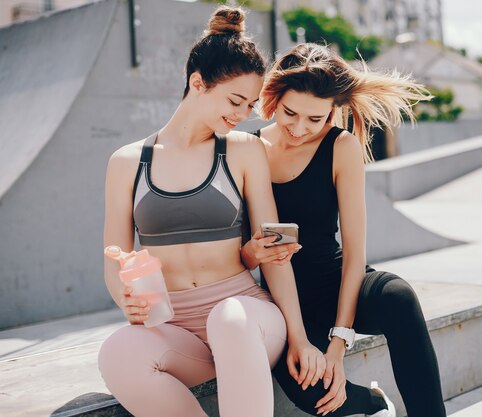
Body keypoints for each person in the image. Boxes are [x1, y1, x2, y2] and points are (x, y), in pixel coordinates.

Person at [98, 8, 325, 417]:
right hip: (173, 328)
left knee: (229, 319)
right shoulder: (127, 162)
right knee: (117, 353)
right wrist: (125, 298)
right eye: (236, 101)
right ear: (197, 83)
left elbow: (274, 257)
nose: (244, 114)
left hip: (247, 319)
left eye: (251, 104)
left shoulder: (242, 150)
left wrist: (299, 337)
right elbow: (114, 256)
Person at [241, 43, 447, 417]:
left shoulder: (342, 146)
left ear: (332, 113)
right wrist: (252, 254)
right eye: (290, 113)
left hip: (339, 284)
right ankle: (373, 402)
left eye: (315, 119)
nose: (299, 128)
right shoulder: (247, 147)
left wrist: (339, 342)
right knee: (313, 393)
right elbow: (240, 251)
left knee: (399, 297)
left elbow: (354, 253)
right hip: (282, 302)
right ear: (273, 97)